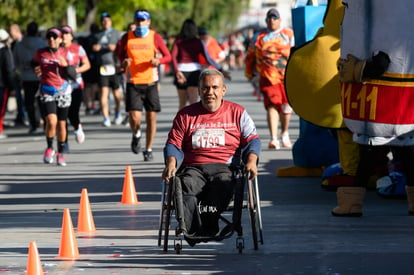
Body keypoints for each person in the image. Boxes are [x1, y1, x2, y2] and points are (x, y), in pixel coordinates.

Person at [162, 68, 261, 245]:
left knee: (221, 186)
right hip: (193, 168)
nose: (210, 92)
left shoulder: (238, 113)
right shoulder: (185, 115)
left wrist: (252, 161)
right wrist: (171, 162)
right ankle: (193, 231)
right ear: (199, 91)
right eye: (205, 88)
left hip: (225, 167)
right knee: (184, 185)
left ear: (223, 90)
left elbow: (252, 141)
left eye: (215, 87)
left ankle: (208, 227)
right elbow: (173, 144)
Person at [116, 9, 171, 161]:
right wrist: (124, 62)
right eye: (138, 21)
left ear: (148, 22)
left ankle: (148, 148)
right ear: (134, 22)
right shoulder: (127, 37)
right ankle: (136, 134)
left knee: (151, 117)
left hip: (150, 82)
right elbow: (119, 55)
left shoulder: (155, 37)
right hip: (133, 82)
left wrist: (158, 61)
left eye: (143, 21)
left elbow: (168, 56)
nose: (140, 24)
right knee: (135, 118)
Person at [245, 8, 295, 150]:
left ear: (279, 20)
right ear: (266, 20)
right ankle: (274, 138)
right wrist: (249, 72)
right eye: (270, 18)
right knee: (272, 106)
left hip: (287, 76)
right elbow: (250, 55)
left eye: (275, 18)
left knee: (286, 106)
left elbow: (297, 52)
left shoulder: (288, 34)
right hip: (267, 76)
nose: (272, 20)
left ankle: (284, 133)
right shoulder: (258, 36)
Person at [32, 27, 76, 166]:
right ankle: (50, 147)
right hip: (47, 90)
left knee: (62, 123)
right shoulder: (41, 53)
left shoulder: (66, 52)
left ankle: (60, 152)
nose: (51, 39)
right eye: (49, 36)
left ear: (60, 39)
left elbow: (73, 75)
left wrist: (66, 65)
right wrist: (36, 69)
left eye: (54, 37)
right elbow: (33, 63)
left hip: (63, 91)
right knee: (51, 121)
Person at [171, 18, 230, 110]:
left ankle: (181, 123)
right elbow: (208, 58)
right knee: (193, 103)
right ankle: (192, 124)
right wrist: (220, 69)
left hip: (181, 71)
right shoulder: (198, 42)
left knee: (182, 103)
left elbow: (173, 57)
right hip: (194, 72)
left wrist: (176, 71)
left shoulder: (178, 42)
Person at [13, 21, 47, 134]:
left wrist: (22, 70)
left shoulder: (20, 44)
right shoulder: (42, 43)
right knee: (42, 101)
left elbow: (16, 62)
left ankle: (33, 124)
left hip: (26, 76)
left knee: (29, 102)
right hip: (40, 77)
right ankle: (45, 123)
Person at [61, 25, 91, 145]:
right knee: (63, 114)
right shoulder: (56, 49)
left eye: (66, 33)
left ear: (71, 36)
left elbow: (87, 64)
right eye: (62, 33)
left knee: (73, 112)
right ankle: (63, 141)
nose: (64, 36)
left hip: (76, 84)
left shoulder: (78, 48)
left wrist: (75, 71)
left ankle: (77, 127)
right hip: (61, 85)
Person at [92, 12, 123, 127]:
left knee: (116, 93)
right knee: (103, 93)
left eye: (107, 21)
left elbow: (122, 48)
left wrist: (115, 48)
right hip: (102, 67)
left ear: (111, 21)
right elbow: (92, 47)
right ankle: (106, 117)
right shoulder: (97, 35)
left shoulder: (117, 34)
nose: (105, 23)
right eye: (103, 21)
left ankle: (117, 112)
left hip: (114, 66)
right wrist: (95, 48)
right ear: (101, 23)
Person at [78, 23, 100, 115]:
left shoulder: (85, 39)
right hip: (95, 64)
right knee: (94, 85)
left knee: (87, 86)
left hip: (85, 64)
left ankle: (87, 105)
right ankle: (93, 104)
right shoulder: (98, 39)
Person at [8, 23, 27, 126]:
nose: (10, 35)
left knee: (26, 96)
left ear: (16, 31)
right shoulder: (14, 43)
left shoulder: (23, 43)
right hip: (17, 73)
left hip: (23, 73)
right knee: (19, 97)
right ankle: (21, 115)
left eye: (11, 32)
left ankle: (26, 115)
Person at [0, 29, 16, 139]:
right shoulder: (5, 51)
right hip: (2, 84)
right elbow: (9, 70)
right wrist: (12, 86)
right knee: (1, 108)